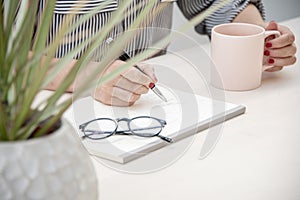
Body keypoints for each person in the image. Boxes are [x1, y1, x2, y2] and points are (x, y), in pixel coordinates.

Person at [43, 0, 297, 106]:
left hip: (149, 103)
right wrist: (89, 76)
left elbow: (218, 4)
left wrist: (257, 35)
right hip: (50, 111)